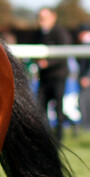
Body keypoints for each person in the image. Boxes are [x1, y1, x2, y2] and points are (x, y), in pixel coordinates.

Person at [33, 8, 72, 141]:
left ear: (53, 17)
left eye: (44, 17)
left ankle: (59, 139)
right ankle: (43, 137)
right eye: (40, 17)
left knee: (58, 108)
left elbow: (63, 54)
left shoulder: (60, 33)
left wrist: (47, 63)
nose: (41, 20)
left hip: (58, 77)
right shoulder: (38, 34)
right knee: (39, 108)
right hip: (44, 78)